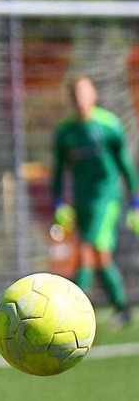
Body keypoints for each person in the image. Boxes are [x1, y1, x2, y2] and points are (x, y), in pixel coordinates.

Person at [51, 74, 139, 328]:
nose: (80, 96)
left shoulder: (109, 125)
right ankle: (122, 308)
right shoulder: (66, 131)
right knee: (100, 255)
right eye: (75, 91)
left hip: (107, 198)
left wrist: (134, 202)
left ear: (93, 95)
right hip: (83, 200)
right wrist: (59, 203)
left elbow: (125, 165)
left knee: (87, 250)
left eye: (84, 90)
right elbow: (58, 170)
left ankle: (69, 310)